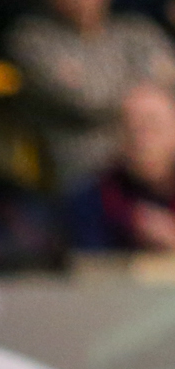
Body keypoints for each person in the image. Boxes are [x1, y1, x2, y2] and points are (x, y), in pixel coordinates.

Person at [8, 0, 175, 187]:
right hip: (90, 186)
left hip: (161, 182)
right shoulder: (32, 39)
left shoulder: (139, 32)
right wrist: (150, 104)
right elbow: (89, 98)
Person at [65, 80, 175, 248]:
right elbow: (88, 257)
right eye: (131, 128)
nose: (142, 140)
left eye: (152, 126)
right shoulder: (92, 200)